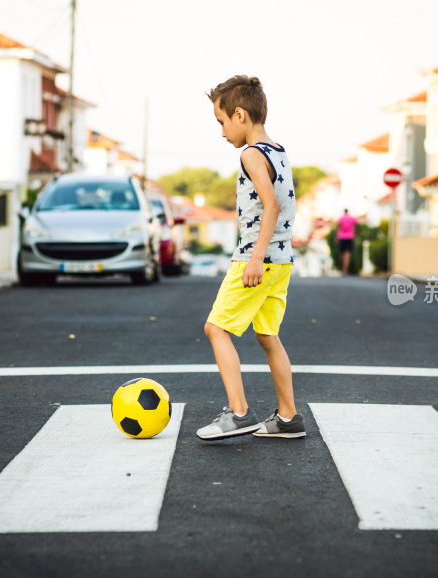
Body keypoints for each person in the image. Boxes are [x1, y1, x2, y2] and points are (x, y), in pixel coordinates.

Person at [196, 75, 305, 440]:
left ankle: (239, 413)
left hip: (255, 260)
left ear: (240, 114)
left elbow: (270, 206)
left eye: (222, 122)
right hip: (283, 260)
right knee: (268, 335)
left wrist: (256, 258)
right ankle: (288, 418)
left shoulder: (251, 154)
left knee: (216, 328)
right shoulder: (279, 151)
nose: (222, 131)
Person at [336, 208, 357, 275]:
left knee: (341, 253)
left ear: (344, 212)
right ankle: (345, 268)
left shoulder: (341, 218)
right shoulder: (352, 218)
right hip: (350, 237)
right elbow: (357, 224)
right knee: (347, 253)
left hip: (341, 237)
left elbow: (338, 227)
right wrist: (355, 233)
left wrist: (336, 237)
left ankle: (343, 268)